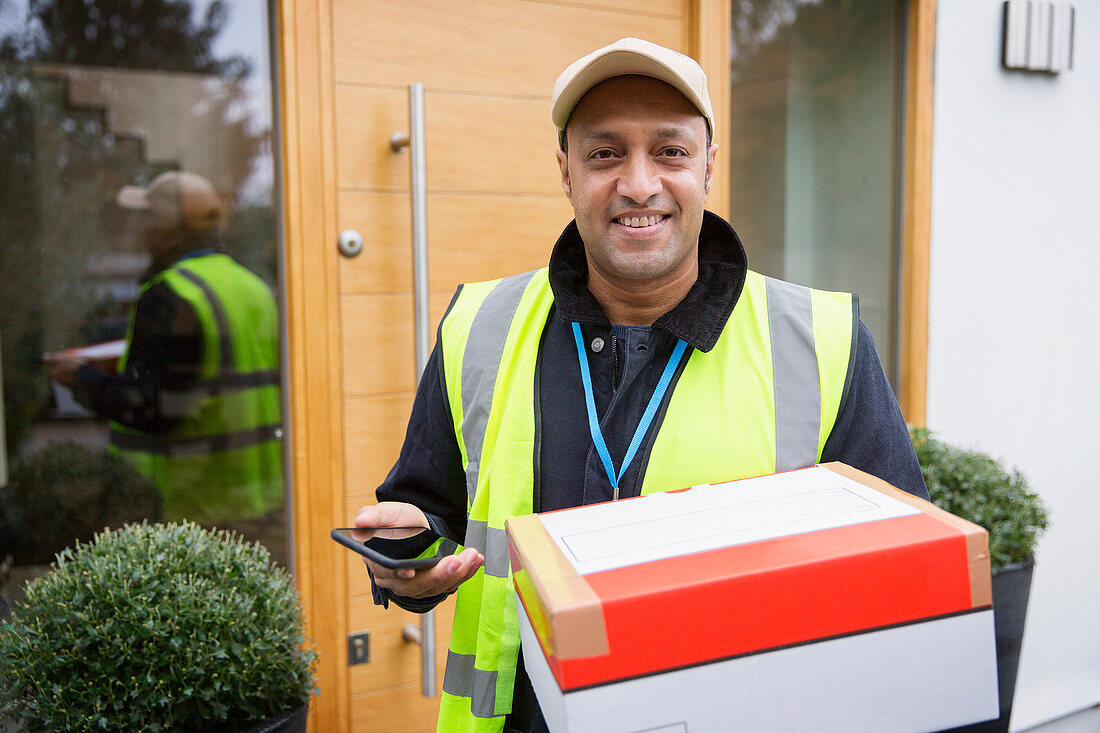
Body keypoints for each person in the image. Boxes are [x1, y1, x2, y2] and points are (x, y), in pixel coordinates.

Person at [354, 38, 928, 733]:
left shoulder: (823, 342)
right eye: (604, 154)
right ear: (564, 170)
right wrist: (405, 560)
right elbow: (428, 513)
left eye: (670, 151)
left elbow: (899, 577)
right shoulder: (479, 327)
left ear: (709, 166)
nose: (638, 183)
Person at [45, 171, 285, 561]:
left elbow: (151, 408)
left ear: (171, 231)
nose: (140, 230)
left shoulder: (171, 296)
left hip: (191, 513)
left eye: (148, 219)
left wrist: (81, 377)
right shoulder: (254, 288)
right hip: (259, 506)